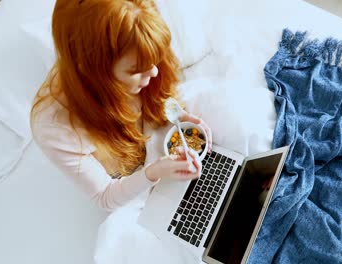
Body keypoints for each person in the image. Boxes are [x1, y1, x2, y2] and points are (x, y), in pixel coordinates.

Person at [30, 0, 212, 262]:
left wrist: (178, 114)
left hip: (158, 146)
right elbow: (105, 196)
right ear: (96, 74)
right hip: (130, 183)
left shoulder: (140, 46)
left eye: (154, 60)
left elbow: (161, 93)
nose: (155, 71)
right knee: (119, 241)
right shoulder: (56, 127)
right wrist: (155, 172)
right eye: (137, 71)